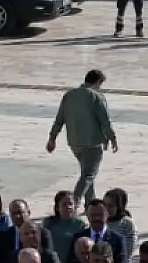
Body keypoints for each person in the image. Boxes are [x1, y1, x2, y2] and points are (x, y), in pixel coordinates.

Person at [47, 71, 117, 206]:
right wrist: (112, 138)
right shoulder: (96, 96)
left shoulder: (69, 95)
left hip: (74, 143)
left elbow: (59, 119)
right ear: (98, 82)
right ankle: (74, 203)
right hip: (93, 143)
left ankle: (90, 203)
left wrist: (52, 138)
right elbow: (105, 120)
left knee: (86, 172)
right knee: (88, 175)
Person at [43, 190, 88, 263]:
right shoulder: (49, 222)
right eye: (64, 204)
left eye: (70, 204)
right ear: (57, 207)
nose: (68, 207)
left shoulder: (80, 225)